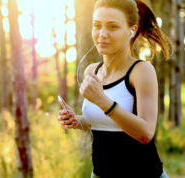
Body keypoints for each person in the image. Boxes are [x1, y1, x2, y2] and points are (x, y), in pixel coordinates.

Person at [57, 0, 173, 177]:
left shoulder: (141, 71)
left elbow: (146, 133)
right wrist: (76, 121)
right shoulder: (92, 71)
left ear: (131, 31)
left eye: (112, 27)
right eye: (97, 25)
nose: (102, 34)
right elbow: (104, 122)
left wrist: (102, 101)